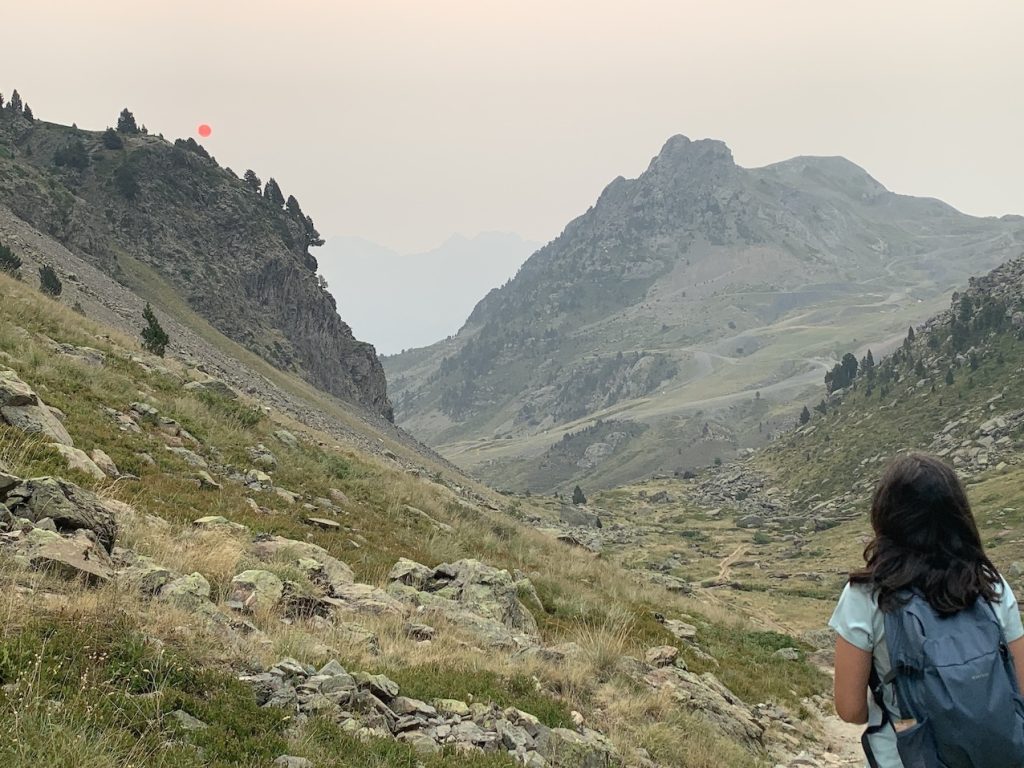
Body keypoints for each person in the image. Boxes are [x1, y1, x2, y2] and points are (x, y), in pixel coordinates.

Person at [828, 452, 1024, 767]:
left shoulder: (866, 595)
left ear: (886, 516)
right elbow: (1020, 688)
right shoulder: (991, 585)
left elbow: (850, 710)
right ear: (958, 514)